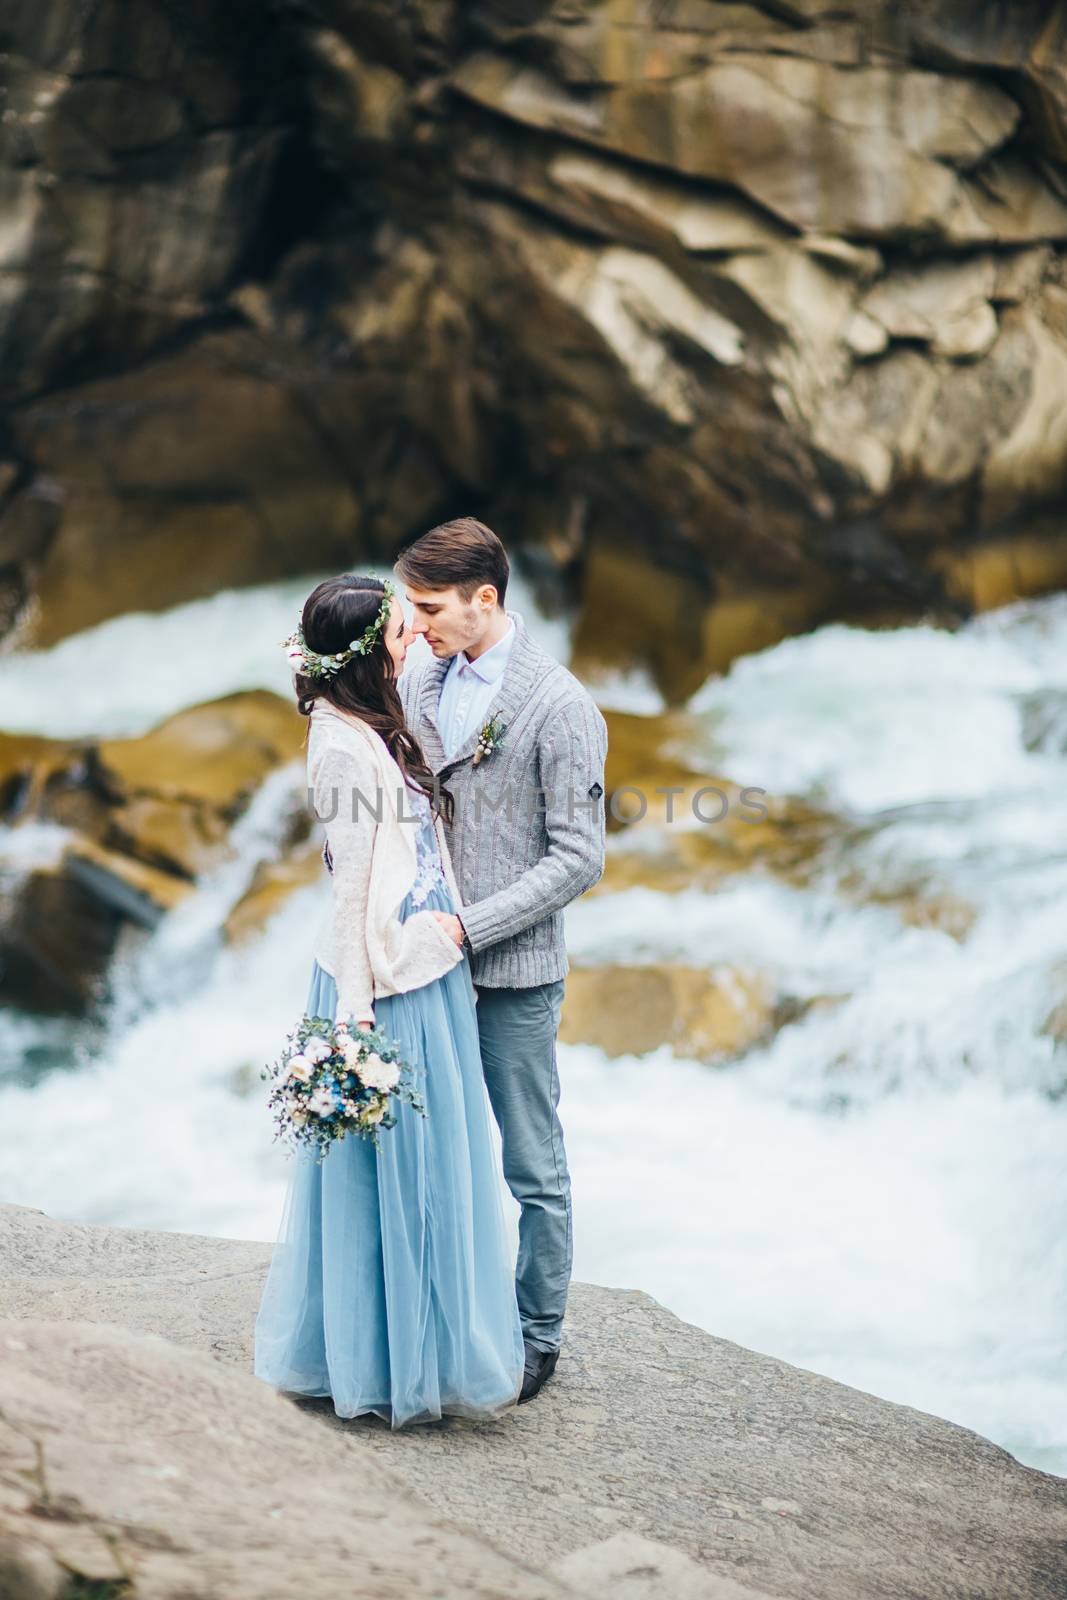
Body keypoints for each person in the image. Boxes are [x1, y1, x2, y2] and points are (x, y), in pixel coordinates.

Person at [254, 575, 525, 1427]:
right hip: (386, 984)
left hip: (423, 964)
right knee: (396, 1181)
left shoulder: (370, 714)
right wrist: (356, 1013)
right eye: (403, 634)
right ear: (370, 654)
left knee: (434, 1172)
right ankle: (388, 1363)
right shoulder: (339, 744)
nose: (415, 645)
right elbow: (350, 882)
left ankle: (424, 1349)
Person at [394, 517, 608, 1404]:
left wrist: (469, 928)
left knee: (531, 1165)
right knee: (434, 1153)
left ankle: (536, 1338)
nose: (416, 623)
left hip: (510, 976)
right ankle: (444, 1318)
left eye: (429, 607)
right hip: (421, 969)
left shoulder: (561, 707)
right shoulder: (419, 678)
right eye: (409, 605)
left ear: (487, 599)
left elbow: (578, 857)